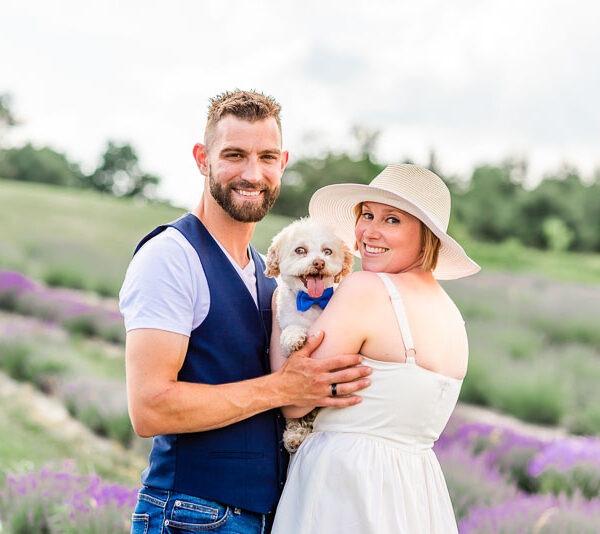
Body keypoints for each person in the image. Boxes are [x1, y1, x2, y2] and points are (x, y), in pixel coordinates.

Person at [119, 89, 372, 534]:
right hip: (191, 515)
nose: (253, 173)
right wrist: (281, 388)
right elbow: (149, 408)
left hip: (269, 517)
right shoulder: (171, 257)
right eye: (234, 155)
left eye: (267, 157)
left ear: (283, 162)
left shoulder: (267, 272)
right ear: (203, 158)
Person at [270, 163, 481, 533]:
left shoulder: (366, 289)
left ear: (426, 235)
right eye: (367, 214)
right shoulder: (453, 316)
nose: (369, 230)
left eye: (392, 220)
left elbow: (292, 399)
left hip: (345, 486)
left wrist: (282, 302)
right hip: (416, 494)